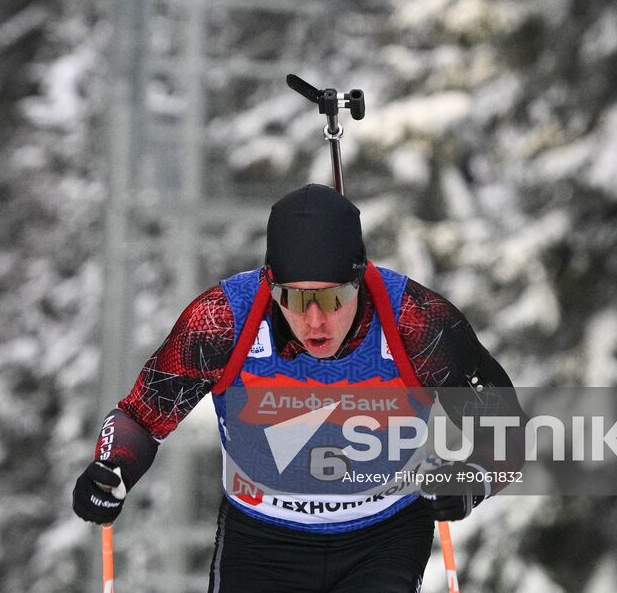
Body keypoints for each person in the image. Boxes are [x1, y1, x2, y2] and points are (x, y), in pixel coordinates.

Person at [73, 183, 522, 593]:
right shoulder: (222, 320)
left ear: (359, 278)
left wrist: (468, 481)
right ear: (270, 282)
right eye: (292, 297)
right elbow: (140, 417)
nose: (314, 321)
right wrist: (113, 468)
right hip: (261, 539)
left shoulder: (415, 322)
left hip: (383, 537)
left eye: (331, 298)